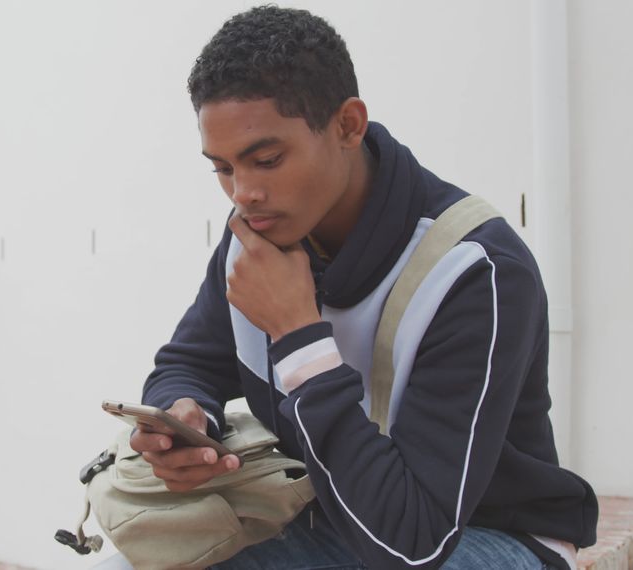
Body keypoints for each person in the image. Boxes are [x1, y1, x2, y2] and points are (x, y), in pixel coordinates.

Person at [124, 6, 599, 569]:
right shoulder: (254, 241)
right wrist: (186, 419)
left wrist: (298, 337)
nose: (243, 193)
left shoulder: (476, 270)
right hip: (324, 518)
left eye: (267, 160)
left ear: (348, 125)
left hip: (483, 535)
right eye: (223, 169)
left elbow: (412, 544)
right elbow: (188, 362)